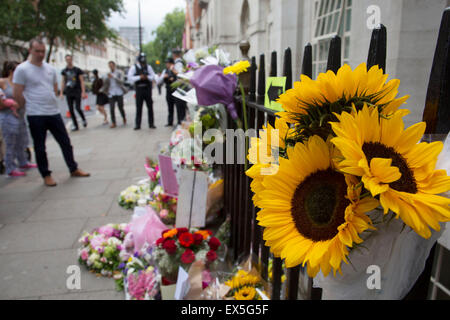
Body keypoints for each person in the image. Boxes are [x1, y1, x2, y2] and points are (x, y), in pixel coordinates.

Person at [13, 38, 90, 187]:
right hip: (35, 114)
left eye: (43, 51)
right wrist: (25, 107)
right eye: (37, 51)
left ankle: (73, 168)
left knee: (65, 142)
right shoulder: (22, 69)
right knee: (40, 146)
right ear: (30, 50)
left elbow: (54, 87)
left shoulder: (49, 68)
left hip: (53, 112)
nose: (41, 54)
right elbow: (17, 93)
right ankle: (46, 174)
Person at [0, 61, 37, 177]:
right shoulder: (3, 82)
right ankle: (10, 167)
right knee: (10, 142)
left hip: (20, 115)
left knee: (22, 140)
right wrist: (9, 104)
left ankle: (23, 161)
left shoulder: (20, 83)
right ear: (12, 71)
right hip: (8, 116)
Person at [127, 53, 156, 130]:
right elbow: (130, 78)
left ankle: (151, 123)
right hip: (139, 89)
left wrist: (147, 77)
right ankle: (138, 124)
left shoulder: (148, 67)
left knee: (150, 107)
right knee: (139, 107)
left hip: (147, 89)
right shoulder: (134, 67)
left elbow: (153, 76)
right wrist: (139, 77)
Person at [60, 54, 88, 131]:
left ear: (72, 60)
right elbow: (63, 82)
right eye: (67, 59)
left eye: (70, 59)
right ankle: (76, 125)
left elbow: (82, 81)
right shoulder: (64, 71)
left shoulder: (77, 70)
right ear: (66, 60)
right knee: (71, 109)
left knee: (78, 107)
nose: (69, 61)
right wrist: (61, 92)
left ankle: (83, 119)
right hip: (69, 91)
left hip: (77, 91)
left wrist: (83, 92)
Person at [102, 61, 128, 129]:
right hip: (111, 93)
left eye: (112, 65)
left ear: (114, 65)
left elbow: (122, 81)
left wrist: (113, 77)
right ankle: (114, 122)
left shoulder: (119, 72)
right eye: (109, 66)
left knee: (120, 107)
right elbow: (105, 83)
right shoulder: (107, 74)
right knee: (111, 108)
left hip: (119, 92)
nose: (111, 67)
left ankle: (124, 117)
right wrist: (107, 78)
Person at [157, 58, 177, 127]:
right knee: (170, 107)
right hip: (168, 90)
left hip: (176, 90)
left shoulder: (175, 69)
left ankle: (180, 121)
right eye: (166, 63)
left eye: (168, 63)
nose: (167, 64)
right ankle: (170, 121)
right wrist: (164, 77)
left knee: (177, 106)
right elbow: (159, 81)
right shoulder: (165, 71)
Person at [171, 49, 188, 125]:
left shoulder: (178, 63)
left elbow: (180, 74)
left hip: (180, 87)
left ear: (174, 55)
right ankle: (181, 121)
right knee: (180, 106)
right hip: (181, 87)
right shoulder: (180, 62)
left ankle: (181, 122)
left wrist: (173, 70)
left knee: (180, 106)